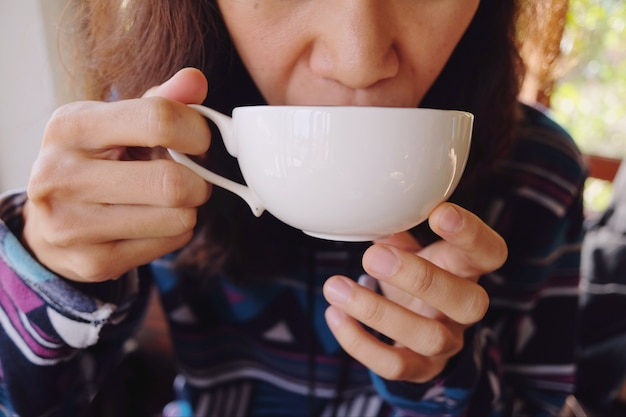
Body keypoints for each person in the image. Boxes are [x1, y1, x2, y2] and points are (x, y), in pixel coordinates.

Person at [0, 0, 587, 416]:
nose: (359, 59)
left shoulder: (539, 171)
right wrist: (45, 271)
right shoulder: (152, 147)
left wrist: (444, 380)